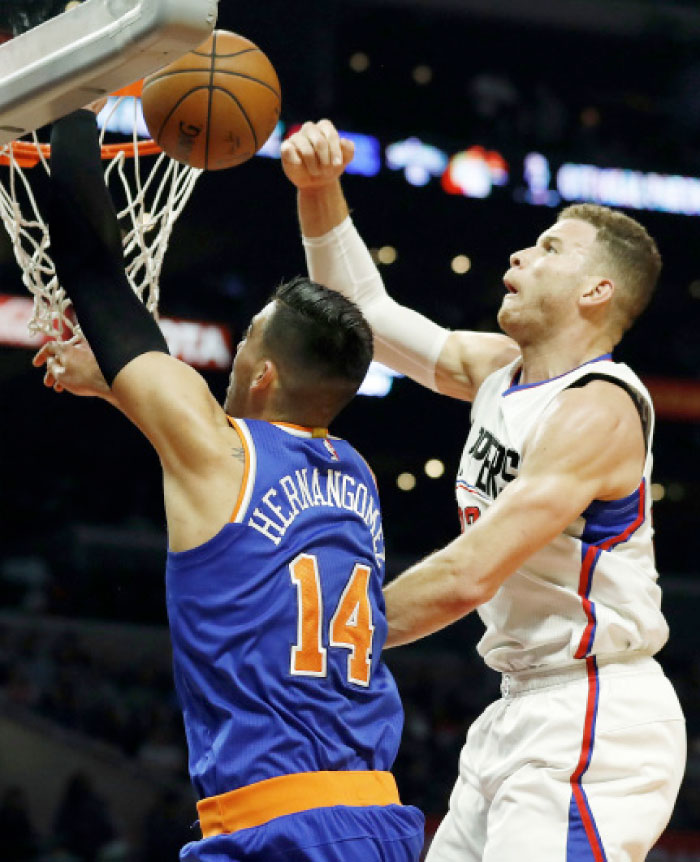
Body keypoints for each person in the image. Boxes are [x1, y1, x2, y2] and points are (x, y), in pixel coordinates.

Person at [280, 120, 687, 862]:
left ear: (597, 290)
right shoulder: (498, 370)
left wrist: (333, 637)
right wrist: (319, 190)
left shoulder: (598, 408)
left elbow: (470, 572)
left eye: (551, 248)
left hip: (596, 707)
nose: (520, 254)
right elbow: (367, 316)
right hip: (518, 706)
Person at [32, 107, 424, 862]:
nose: (237, 349)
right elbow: (221, 445)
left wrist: (69, 101)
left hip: (276, 827)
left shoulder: (217, 453)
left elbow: (91, 270)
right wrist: (120, 384)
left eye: (245, 338)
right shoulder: (357, 476)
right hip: (378, 819)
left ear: (265, 370)